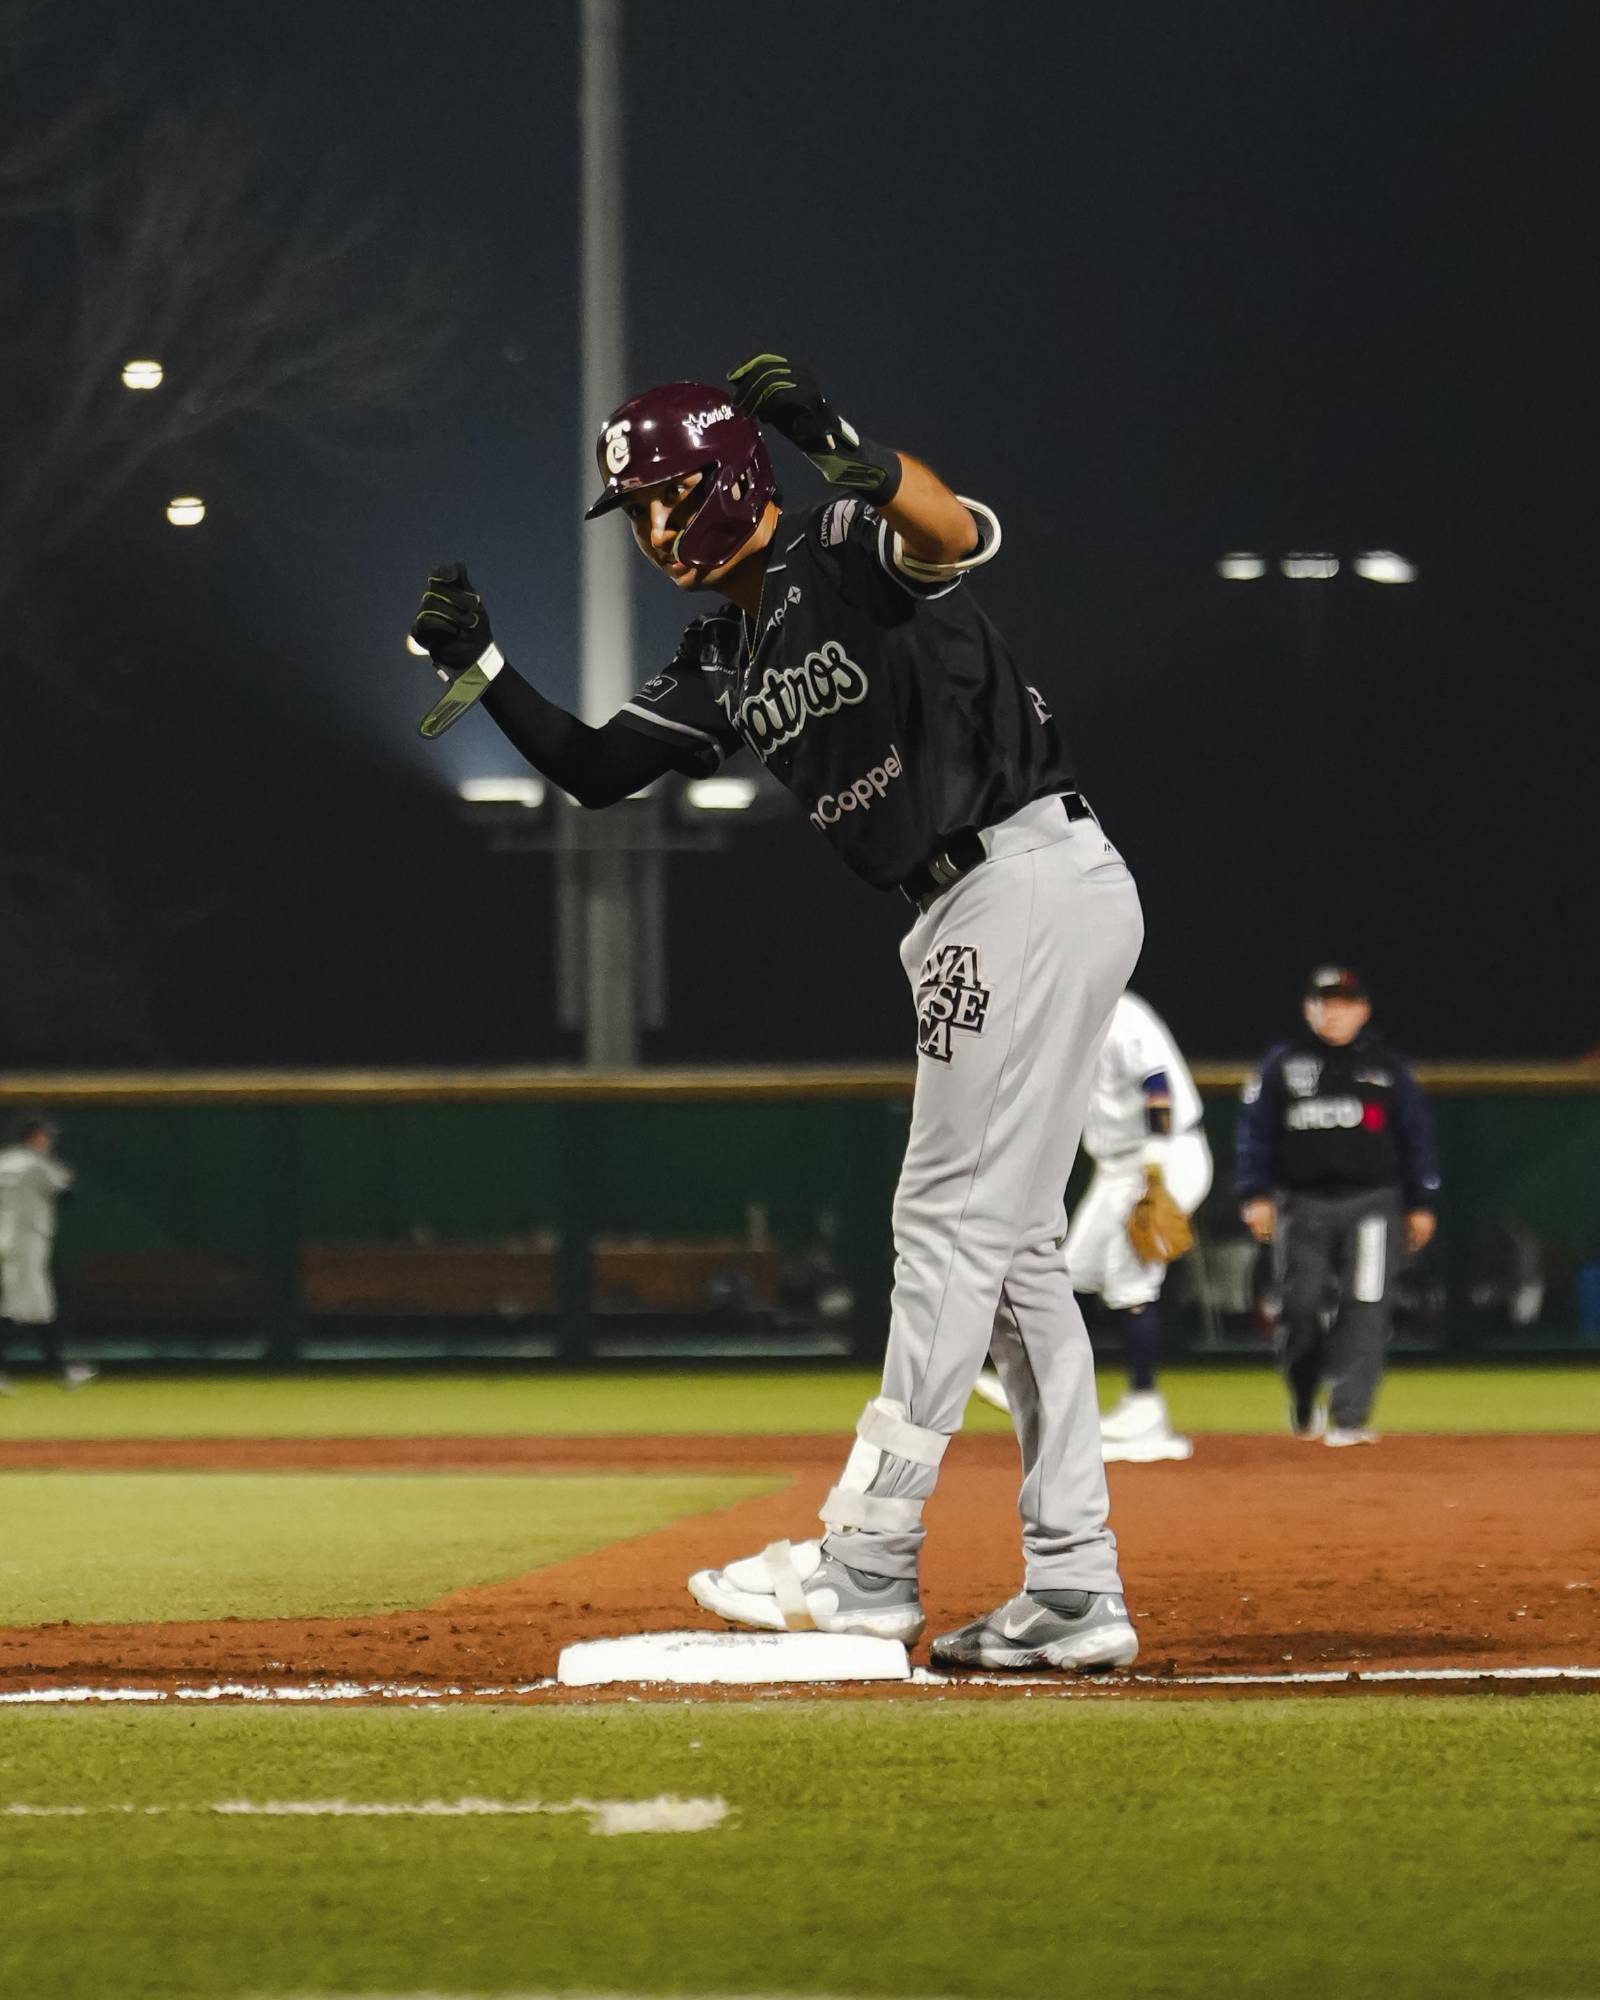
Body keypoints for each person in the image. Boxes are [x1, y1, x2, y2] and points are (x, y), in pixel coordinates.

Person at [408, 357, 1145, 1671]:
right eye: (630, 511)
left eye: (660, 500)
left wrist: (843, 446)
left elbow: (953, 531)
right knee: (1017, 1257)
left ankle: (866, 1559)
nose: (645, 531)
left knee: (944, 1224)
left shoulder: (839, 542)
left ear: (731, 481)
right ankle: (1077, 1586)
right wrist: (484, 666)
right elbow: (593, 772)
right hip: (970, 905)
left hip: (1012, 873)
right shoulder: (728, 645)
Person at [972, 990, 1210, 1462]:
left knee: (1130, 1280)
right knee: (1070, 1273)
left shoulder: (1123, 1014)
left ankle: (1145, 1411)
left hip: (1162, 1155)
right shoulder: (1064, 1025)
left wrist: (1157, 1162)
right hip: (1116, 1168)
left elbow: (1157, 1083)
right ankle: (1044, 1390)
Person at [1236, 966, 1438, 1445]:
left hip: (1372, 1203)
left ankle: (1350, 1416)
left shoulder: (1387, 1069)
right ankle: (1305, 1398)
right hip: (1300, 1203)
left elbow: (1417, 1139)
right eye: (1325, 1002)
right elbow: (1254, 1134)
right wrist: (1253, 1194)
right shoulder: (1282, 1065)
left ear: (1363, 1010)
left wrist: (1422, 1201)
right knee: (1299, 1307)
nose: (1334, 1012)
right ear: (1310, 1008)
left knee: (1366, 1305)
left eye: (1344, 1002)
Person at [0, 1116, 94, 1392]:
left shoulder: (4, 1160)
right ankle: (64, 1369)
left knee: (35, 1308)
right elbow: (67, 1191)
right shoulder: (38, 1164)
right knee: (19, 1309)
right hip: (28, 1242)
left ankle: (64, 1369)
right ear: (33, 1137)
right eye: (45, 1135)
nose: (49, 1140)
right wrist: (58, 1167)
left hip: (6, 1240)